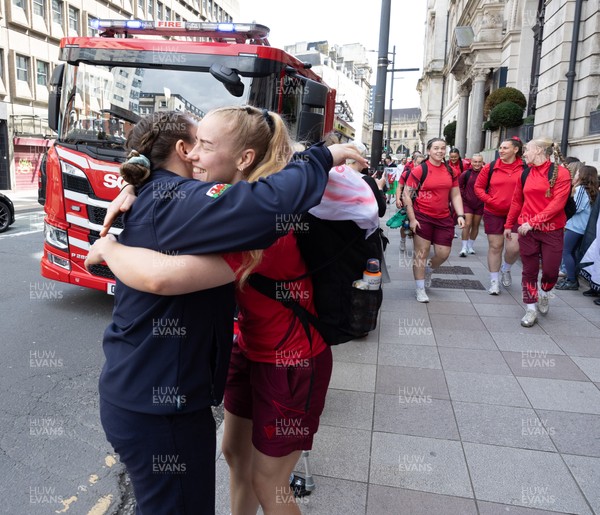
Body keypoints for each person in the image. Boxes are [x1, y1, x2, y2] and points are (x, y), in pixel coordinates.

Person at [85, 108, 367, 515]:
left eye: (206, 145)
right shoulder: (215, 207)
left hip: (290, 360)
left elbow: (163, 277)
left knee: (268, 480)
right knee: (235, 454)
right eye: (192, 144)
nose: (194, 154)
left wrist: (111, 246)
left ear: (244, 158)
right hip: (248, 352)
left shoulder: (251, 224)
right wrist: (140, 185)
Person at [504, 137, 571, 327]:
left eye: (526, 150)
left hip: (551, 230)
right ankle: (530, 308)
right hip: (527, 231)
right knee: (529, 271)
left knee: (550, 271)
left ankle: (545, 292)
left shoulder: (562, 174)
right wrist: (509, 225)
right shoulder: (524, 174)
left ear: (539, 151)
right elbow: (517, 201)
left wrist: (534, 222)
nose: (523, 153)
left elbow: (558, 204)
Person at [402, 138, 465, 303]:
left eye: (443, 148)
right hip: (423, 216)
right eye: (436, 148)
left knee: (443, 253)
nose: (440, 151)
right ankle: (420, 288)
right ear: (429, 151)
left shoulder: (451, 171)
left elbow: (456, 194)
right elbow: (407, 195)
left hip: (444, 217)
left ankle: (429, 269)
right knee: (421, 253)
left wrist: (460, 214)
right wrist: (412, 219)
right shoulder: (419, 170)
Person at [474, 137, 527, 294]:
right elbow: (478, 188)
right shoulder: (491, 167)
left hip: (517, 214)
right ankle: (494, 281)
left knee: (513, 248)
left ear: (515, 150)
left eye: (505, 148)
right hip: (494, 212)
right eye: (500, 148)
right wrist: (490, 201)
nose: (501, 151)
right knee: (495, 246)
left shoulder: (525, 168)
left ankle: (507, 268)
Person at [555, 165, 598, 290]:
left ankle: (572, 280)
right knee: (571, 252)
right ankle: (571, 278)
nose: (576, 175)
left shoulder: (580, 189)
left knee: (566, 251)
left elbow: (576, 208)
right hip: (582, 227)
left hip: (576, 227)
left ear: (583, 175)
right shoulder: (592, 190)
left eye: (578, 173)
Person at [396, 154, 424, 252]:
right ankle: (402, 240)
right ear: (414, 163)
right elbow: (399, 187)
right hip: (408, 202)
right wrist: (398, 199)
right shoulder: (407, 174)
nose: (421, 165)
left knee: (420, 224)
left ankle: (419, 245)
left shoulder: (427, 174)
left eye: (423, 163)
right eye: (419, 163)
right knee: (405, 224)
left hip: (421, 203)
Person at [458, 154, 485, 256]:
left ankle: (470, 245)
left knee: (475, 225)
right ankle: (464, 247)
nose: (477, 164)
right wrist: (464, 196)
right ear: (471, 162)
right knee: (467, 224)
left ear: (482, 162)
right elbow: (459, 187)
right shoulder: (466, 174)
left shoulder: (486, 174)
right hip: (467, 203)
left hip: (480, 203)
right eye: (475, 162)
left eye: (479, 162)